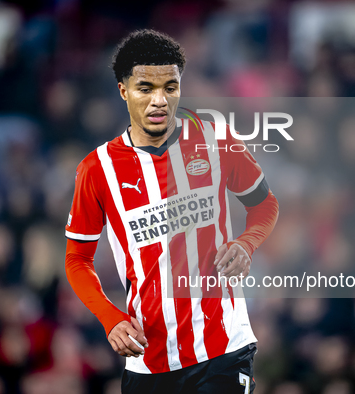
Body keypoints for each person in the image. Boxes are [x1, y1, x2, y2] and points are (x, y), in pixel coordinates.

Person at [64, 29, 279, 393]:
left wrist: (246, 243)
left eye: (170, 87)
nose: (159, 100)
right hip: (148, 360)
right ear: (123, 90)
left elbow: (264, 205)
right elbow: (76, 260)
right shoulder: (97, 169)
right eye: (145, 88)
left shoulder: (218, 139)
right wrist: (110, 318)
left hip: (224, 347)